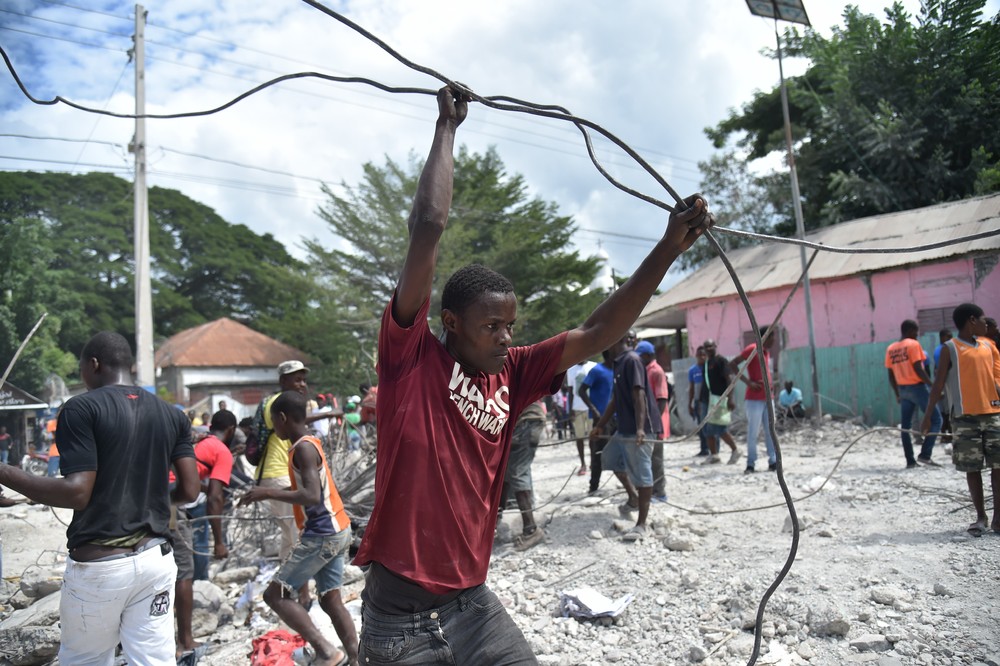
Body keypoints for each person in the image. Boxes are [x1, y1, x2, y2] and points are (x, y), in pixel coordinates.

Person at [351, 86, 713, 664]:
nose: (506, 337)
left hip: (471, 606)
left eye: (510, 325)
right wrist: (446, 127)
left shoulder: (515, 373)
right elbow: (428, 226)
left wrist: (670, 247)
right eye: (492, 326)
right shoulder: (410, 359)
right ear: (450, 323)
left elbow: (596, 331)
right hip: (397, 622)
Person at [0, 331, 199, 665]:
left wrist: (5, 472)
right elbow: (190, 491)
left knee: (85, 659)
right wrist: (149, 498)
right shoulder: (172, 414)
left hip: (101, 565)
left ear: (93, 364)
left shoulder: (81, 408)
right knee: (153, 660)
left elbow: (77, 492)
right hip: (156, 560)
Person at [240, 391, 356, 666]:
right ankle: (355, 657)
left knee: (274, 595)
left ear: (282, 418)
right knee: (330, 600)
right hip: (337, 528)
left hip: (323, 533)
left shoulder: (302, 448)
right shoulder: (308, 442)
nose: (273, 429)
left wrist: (267, 492)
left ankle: (328, 652)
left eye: (273, 423)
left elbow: (311, 495)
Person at [922, 303, 1000, 537]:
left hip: (993, 414)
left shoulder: (989, 345)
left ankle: (998, 518)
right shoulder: (950, 348)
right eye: (983, 319)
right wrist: (928, 417)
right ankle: (980, 517)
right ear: (971, 320)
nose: (987, 324)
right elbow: (937, 384)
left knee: (998, 467)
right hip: (964, 418)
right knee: (972, 468)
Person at [171, 409, 236, 657]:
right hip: (173, 506)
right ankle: (186, 642)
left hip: (156, 498)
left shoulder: (199, 442)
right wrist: (219, 541)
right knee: (184, 573)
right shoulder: (221, 450)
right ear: (230, 430)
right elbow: (216, 499)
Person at [592, 333, 664, 542]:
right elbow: (616, 398)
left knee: (643, 473)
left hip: (639, 428)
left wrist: (641, 428)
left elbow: (638, 395)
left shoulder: (632, 360)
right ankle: (633, 498)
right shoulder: (618, 362)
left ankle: (642, 524)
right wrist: (600, 425)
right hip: (623, 427)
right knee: (610, 459)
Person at [885, 319, 942, 468]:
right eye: (916, 331)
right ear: (910, 331)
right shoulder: (913, 344)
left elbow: (890, 375)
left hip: (903, 390)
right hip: (917, 388)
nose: (917, 335)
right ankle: (925, 455)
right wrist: (932, 385)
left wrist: (897, 393)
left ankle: (910, 461)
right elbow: (918, 367)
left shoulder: (891, 348)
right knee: (937, 420)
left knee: (905, 427)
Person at [499, 399, 547, 551]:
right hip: (527, 419)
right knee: (506, 470)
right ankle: (495, 519)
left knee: (518, 472)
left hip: (526, 421)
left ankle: (531, 530)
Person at [730, 330, 773, 473]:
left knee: (770, 432)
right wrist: (748, 382)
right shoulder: (753, 349)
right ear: (765, 337)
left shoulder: (766, 351)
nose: (773, 341)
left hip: (768, 397)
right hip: (754, 399)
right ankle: (750, 464)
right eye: (772, 337)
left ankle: (773, 461)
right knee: (753, 433)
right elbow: (733, 364)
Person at [636, 340, 669, 502]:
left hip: (656, 424)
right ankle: (650, 490)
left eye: (641, 356)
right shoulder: (643, 369)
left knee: (656, 459)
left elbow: (662, 399)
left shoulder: (657, 371)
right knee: (646, 459)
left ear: (648, 355)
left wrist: (655, 423)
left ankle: (660, 491)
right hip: (648, 423)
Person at [580, 349, 615, 495]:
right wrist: (593, 410)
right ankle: (593, 487)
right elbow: (581, 390)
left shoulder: (619, 369)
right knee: (598, 453)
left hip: (616, 417)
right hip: (600, 418)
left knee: (622, 450)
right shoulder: (597, 370)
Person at [700, 339, 741, 466]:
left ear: (715, 346)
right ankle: (714, 455)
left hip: (718, 400)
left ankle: (735, 450)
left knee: (720, 428)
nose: (708, 349)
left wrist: (730, 399)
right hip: (707, 401)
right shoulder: (706, 363)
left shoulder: (721, 361)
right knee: (707, 430)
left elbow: (729, 380)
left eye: (711, 346)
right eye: (706, 347)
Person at [567, 358, 597, 476]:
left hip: (591, 408)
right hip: (577, 408)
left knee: (592, 437)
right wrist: (570, 410)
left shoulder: (594, 366)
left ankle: (592, 462)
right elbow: (570, 391)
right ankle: (583, 463)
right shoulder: (571, 369)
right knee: (579, 438)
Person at [687, 346, 710, 456]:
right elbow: (691, 388)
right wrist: (690, 404)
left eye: (704, 354)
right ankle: (704, 448)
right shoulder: (692, 370)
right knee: (701, 425)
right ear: (696, 355)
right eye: (699, 354)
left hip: (709, 401)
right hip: (698, 401)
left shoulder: (709, 368)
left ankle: (713, 449)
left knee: (710, 426)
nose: (702, 357)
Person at [934, 329, 954, 446]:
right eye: (948, 336)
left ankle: (945, 435)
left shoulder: (938, 349)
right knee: (948, 410)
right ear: (942, 337)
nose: (951, 338)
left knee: (945, 410)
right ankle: (948, 435)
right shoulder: (945, 349)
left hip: (943, 382)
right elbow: (943, 369)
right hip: (946, 382)